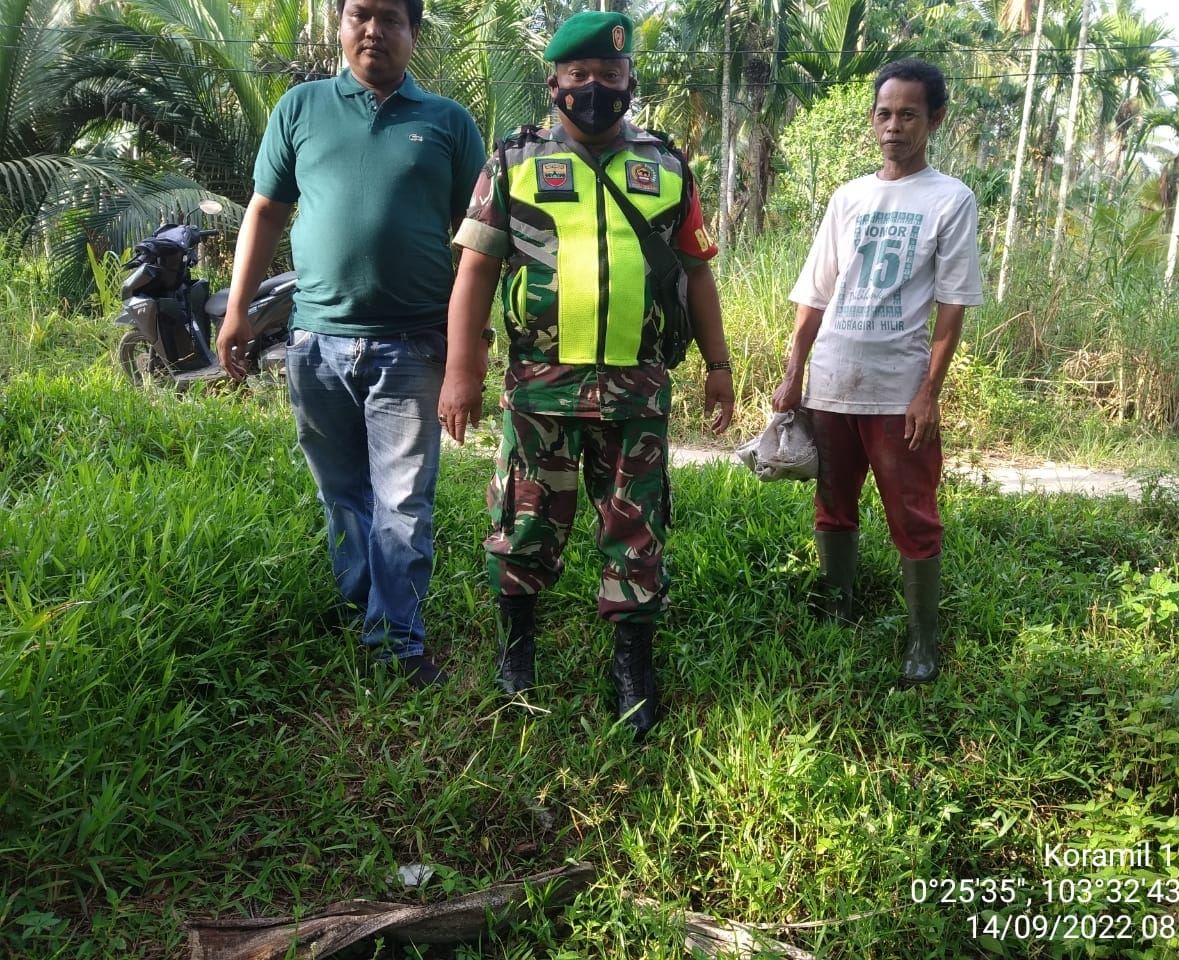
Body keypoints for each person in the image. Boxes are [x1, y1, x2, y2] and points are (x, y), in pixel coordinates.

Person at [438, 10, 734, 738]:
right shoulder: (513, 161)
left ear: (631, 81)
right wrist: (460, 372)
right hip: (539, 386)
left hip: (637, 389)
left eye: (609, 76)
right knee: (524, 521)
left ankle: (633, 670)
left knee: (636, 529)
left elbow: (696, 273)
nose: (595, 89)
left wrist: (720, 366)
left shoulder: (667, 165)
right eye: (580, 77)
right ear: (555, 83)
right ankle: (517, 657)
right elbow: (474, 272)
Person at [215, 0, 487, 688]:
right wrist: (238, 310)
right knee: (342, 493)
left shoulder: (449, 123)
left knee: (402, 502)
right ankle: (364, 602)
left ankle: (397, 641)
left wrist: (471, 348)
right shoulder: (300, 109)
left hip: (414, 346)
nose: (374, 31)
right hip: (315, 343)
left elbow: (481, 245)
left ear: (413, 34)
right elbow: (266, 211)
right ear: (340, 25)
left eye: (391, 18)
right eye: (360, 14)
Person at [773, 58, 984, 685]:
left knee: (912, 512)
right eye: (885, 113)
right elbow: (814, 294)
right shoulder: (849, 198)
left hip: (898, 390)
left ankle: (923, 639)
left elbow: (953, 306)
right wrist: (793, 374)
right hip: (833, 381)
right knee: (833, 503)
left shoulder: (950, 199)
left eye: (909, 115)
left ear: (935, 119)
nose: (894, 126)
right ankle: (837, 607)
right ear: (873, 120)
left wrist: (929, 393)